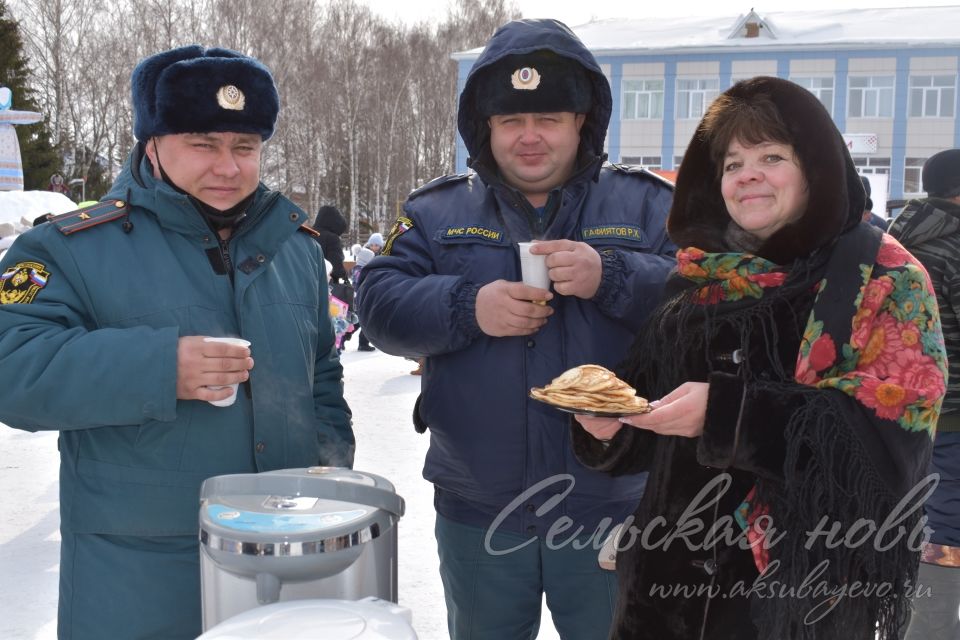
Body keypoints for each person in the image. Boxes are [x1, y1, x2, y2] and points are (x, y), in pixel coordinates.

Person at [572, 76, 946, 640]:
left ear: (815, 168)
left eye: (772, 156)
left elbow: (889, 444)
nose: (747, 174)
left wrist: (728, 415)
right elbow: (654, 420)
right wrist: (609, 424)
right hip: (664, 592)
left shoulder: (883, 277)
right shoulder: (700, 274)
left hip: (794, 600)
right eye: (732, 162)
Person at [0, 45, 354, 640]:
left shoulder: (294, 250)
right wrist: (159, 366)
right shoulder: (65, 249)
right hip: (137, 574)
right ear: (152, 144)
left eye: (245, 148)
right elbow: (11, 369)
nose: (228, 167)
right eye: (203, 144)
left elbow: (319, 371)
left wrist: (329, 465)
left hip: (286, 554)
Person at [357, 18, 675, 639]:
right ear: (486, 127)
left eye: (549, 118)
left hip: (615, 502)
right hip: (480, 507)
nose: (529, 137)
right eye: (510, 122)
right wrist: (466, 307)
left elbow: (705, 302)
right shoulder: (435, 211)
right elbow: (379, 304)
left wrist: (612, 275)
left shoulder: (646, 205)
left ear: (582, 121)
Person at [890, 148, 960, 640]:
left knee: (930, 522)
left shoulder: (899, 241)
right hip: (956, 414)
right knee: (949, 528)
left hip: (910, 415)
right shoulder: (954, 247)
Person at [312, 204, 349, 283]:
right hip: (325, 284)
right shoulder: (331, 238)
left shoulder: (307, 234)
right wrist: (344, 274)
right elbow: (336, 266)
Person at [352, 246, 376, 352]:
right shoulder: (361, 271)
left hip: (360, 300)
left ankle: (343, 337)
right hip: (362, 300)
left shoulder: (358, 269)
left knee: (357, 322)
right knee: (365, 322)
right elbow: (361, 285)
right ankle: (363, 343)